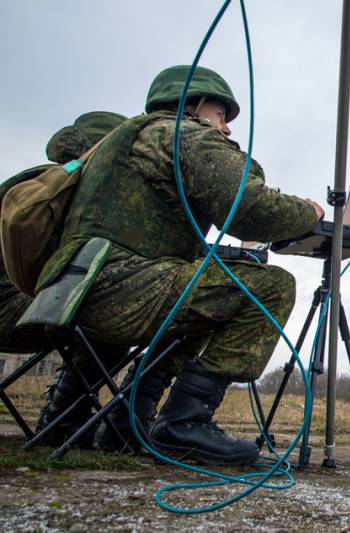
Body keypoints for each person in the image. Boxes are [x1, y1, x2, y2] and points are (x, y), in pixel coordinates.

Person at [34, 65, 324, 465]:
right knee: (271, 286)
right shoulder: (177, 132)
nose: (225, 130)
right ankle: (183, 422)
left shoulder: (123, 143)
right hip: (114, 291)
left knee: (200, 303)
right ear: (193, 105)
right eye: (220, 116)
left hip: (68, 294)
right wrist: (308, 213)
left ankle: (121, 422)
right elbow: (249, 207)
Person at [0, 111, 128, 447]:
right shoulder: (62, 192)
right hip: (11, 308)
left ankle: (67, 415)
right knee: (113, 305)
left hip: (20, 305)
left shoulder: (35, 182)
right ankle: (65, 417)